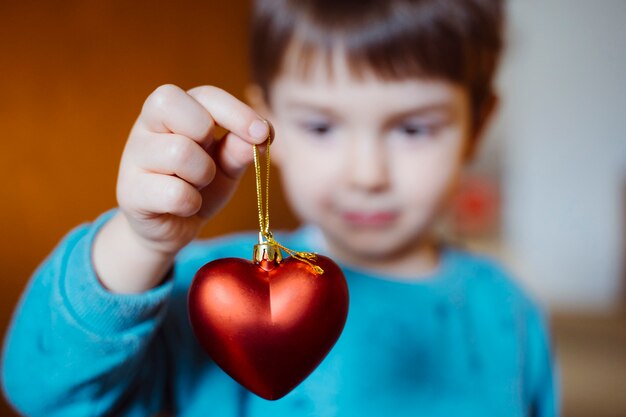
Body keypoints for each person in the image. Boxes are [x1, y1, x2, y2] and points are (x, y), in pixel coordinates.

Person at [1, 0, 559, 415]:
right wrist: (138, 244)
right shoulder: (204, 296)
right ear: (268, 121)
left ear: (476, 127)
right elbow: (38, 390)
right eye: (320, 125)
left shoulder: (508, 313)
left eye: (413, 128)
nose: (367, 174)